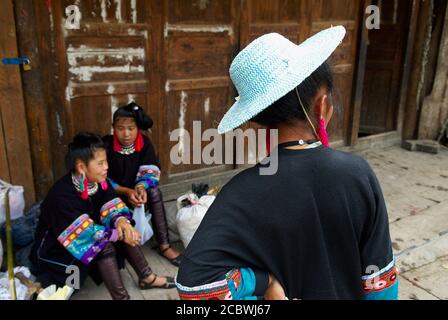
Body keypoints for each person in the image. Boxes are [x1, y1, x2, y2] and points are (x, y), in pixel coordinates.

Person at [175, 26, 399, 300]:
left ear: (259, 116)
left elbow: (193, 290)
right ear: (322, 106)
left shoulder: (239, 193)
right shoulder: (358, 174)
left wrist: (263, 283)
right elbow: (380, 284)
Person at [29, 133, 175, 300]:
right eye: (100, 163)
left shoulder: (98, 182)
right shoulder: (61, 196)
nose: (106, 167)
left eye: (106, 161)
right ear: (81, 167)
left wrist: (122, 223)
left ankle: (146, 277)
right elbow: (84, 234)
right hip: (57, 254)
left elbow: (112, 205)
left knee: (121, 229)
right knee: (102, 246)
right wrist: (118, 234)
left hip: (84, 241)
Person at [103, 103, 183, 267]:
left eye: (131, 128)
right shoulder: (105, 145)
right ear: (113, 128)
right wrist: (125, 191)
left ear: (137, 128)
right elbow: (100, 178)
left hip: (138, 195)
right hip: (113, 193)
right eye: (120, 128)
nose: (126, 134)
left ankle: (164, 245)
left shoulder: (144, 143)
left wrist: (140, 187)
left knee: (154, 192)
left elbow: (150, 169)